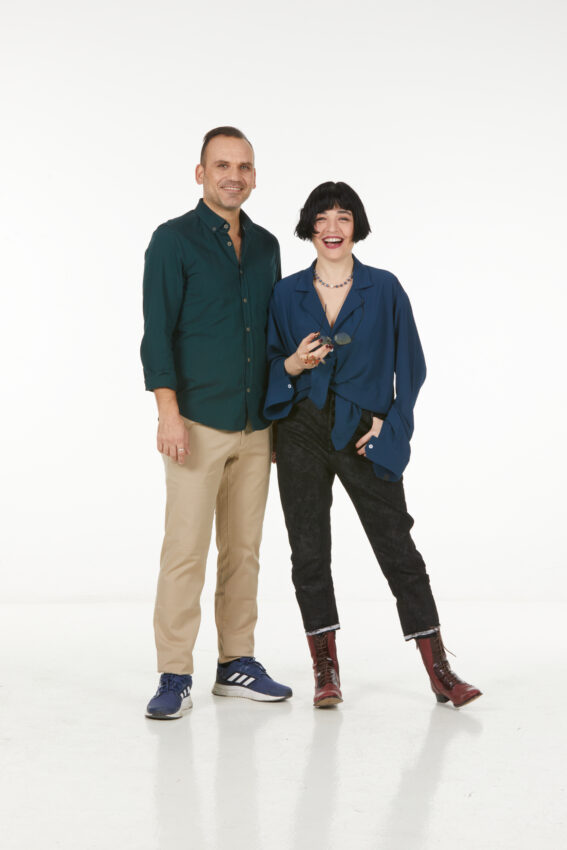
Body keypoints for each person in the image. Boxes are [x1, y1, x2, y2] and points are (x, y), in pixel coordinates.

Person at [264, 181, 481, 709]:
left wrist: (391, 425)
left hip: (364, 430)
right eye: (322, 218)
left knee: (398, 547)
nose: (332, 228)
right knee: (308, 551)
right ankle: (326, 671)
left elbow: (413, 367)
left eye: (343, 217)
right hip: (300, 429)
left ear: (356, 226)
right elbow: (270, 364)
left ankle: (440, 671)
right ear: (309, 228)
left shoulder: (384, 288)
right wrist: (294, 364)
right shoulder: (286, 293)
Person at [140, 126, 292, 719]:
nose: (234, 176)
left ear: (255, 176)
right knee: (185, 551)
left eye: (244, 166)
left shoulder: (267, 246)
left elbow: (274, 337)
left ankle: (236, 663)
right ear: (200, 173)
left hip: (256, 426)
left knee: (244, 551)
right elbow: (157, 333)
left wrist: (276, 418)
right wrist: (168, 414)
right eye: (222, 165)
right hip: (197, 422)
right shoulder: (172, 240)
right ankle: (175, 672)